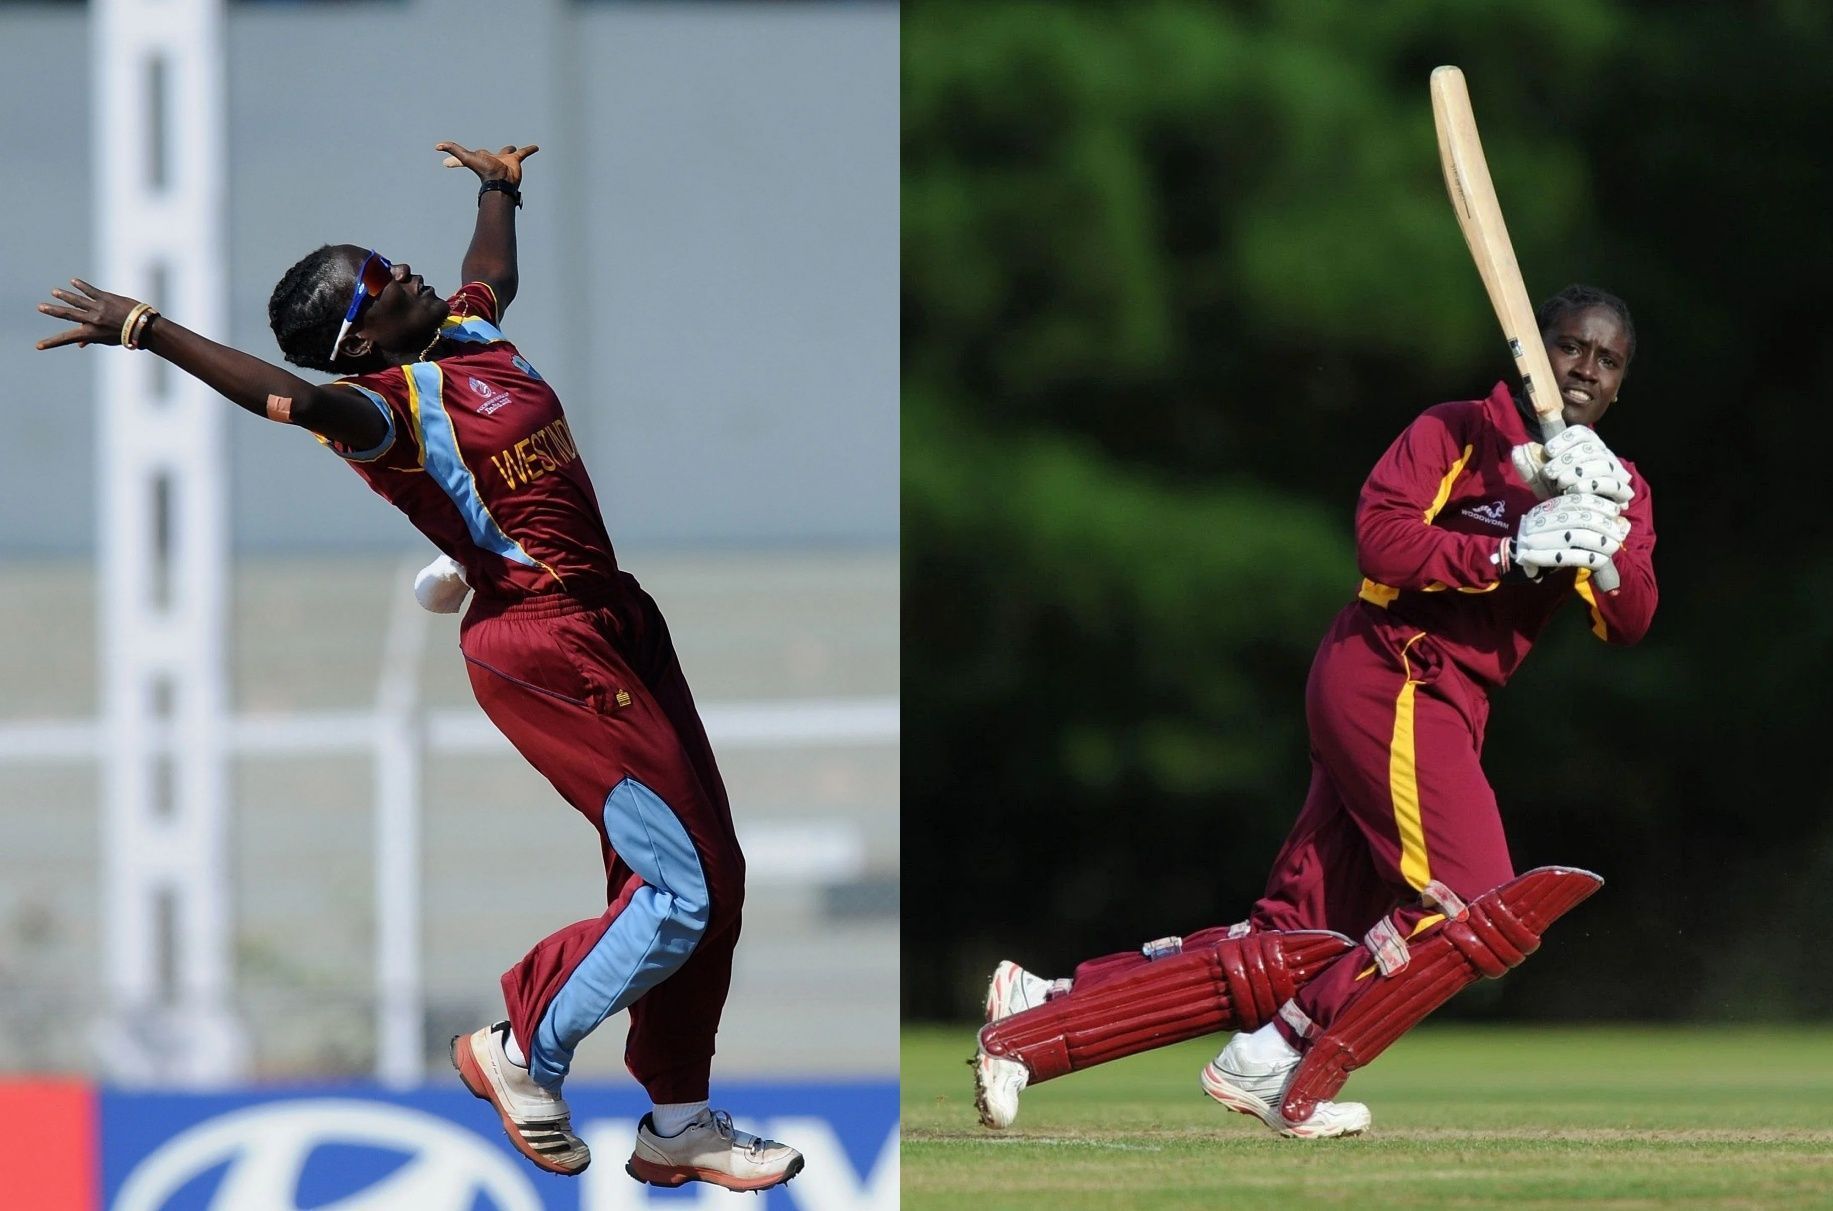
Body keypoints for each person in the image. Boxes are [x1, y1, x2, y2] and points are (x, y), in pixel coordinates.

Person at [36, 141, 804, 1192]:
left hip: (612, 615)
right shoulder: (384, 409)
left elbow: (494, 266)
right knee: (676, 892)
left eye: (387, 258)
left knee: (709, 876)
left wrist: (498, 186)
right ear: (361, 335)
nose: (402, 272)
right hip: (543, 642)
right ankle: (518, 1040)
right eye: (378, 281)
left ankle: (676, 1117)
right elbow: (296, 401)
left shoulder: (468, 330)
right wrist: (148, 327)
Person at [972, 285, 1654, 1139]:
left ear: (1622, 384)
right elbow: (1382, 538)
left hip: (1449, 701)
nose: (1583, 368)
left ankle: (1037, 1014)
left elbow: (1627, 620)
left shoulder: (1617, 484)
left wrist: (1612, 523)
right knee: (1474, 901)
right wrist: (1506, 548)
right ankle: (1274, 1056)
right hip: (1393, 669)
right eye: (1568, 347)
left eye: (1606, 360)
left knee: (1299, 937)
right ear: (1529, 352)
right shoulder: (1455, 431)